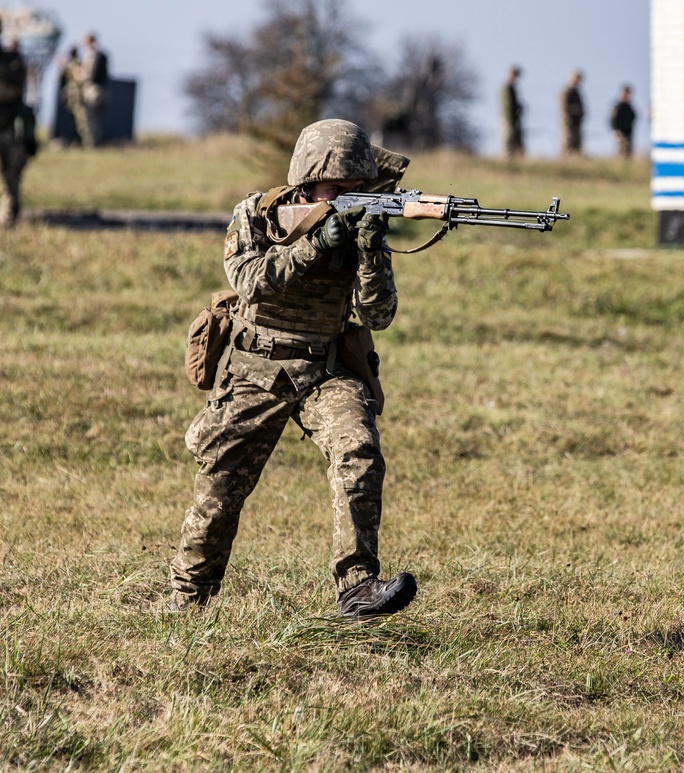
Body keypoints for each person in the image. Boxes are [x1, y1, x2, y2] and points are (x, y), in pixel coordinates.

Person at [168, 119, 418, 618]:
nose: (347, 198)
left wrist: (370, 253)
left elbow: (379, 315)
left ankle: (358, 587)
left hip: (325, 369)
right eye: (335, 189)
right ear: (306, 180)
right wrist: (317, 242)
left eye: (356, 189)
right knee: (221, 488)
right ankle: (188, 602)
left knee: (358, 450)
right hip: (254, 367)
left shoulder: (359, 226)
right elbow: (250, 280)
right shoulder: (256, 214)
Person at [0, 23, 35, 227]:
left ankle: (9, 215)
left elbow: (13, 89)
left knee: (12, 176)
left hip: (9, 127)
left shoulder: (12, 60)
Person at [78, 32, 109, 147]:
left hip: (93, 90)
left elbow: (90, 75)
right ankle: (97, 141)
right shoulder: (103, 54)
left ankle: (92, 143)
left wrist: (78, 74)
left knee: (91, 117)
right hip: (103, 90)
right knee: (99, 119)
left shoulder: (92, 55)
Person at [58, 46, 87, 146]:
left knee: (81, 120)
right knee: (72, 121)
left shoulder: (79, 64)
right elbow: (61, 78)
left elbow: (81, 78)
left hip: (78, 95)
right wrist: (62, 65)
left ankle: (86, 142)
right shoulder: (68, 66)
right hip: (70, 96)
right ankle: (76, 141)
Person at [500, 65, 524, 158]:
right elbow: (507, 107)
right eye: (514, 75)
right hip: (508, 121)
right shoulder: (506, 89)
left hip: (514, 121)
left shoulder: (513, 90)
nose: (515, 78)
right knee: (508, 146)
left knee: (515, 146)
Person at [561, 70, 585, 156]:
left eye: (578, 80)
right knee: (568, 147)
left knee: (578, 148)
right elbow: (565, 108)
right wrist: (578, 111)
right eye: (575, 79)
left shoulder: (577, 93)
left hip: (577, 125)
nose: (577, 82)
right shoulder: (565, 92)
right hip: (569, 125)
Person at [610, 85, 637, 159]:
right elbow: (612, 119)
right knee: (621, 152)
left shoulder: (629, 107)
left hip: (628, 133)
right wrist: (616, 130)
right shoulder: (617, 106)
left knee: (628, 153)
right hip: (621, 134)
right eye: (625, 94)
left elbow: (634, 117)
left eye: (628, 94)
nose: (626, 96)